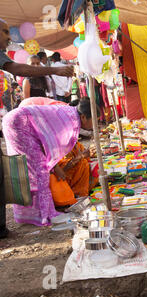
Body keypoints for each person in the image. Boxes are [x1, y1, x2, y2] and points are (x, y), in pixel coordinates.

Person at [0, 18, 73, 238]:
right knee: (34, 169)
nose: (9, 37)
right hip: (23, 124)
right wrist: (56, 71)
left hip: (31, 124)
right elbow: (18, 71)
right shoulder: (26, 78)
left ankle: (5, 226)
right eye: (4, 31)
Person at [2, 96, 96, 227]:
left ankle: (34, 213)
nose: (95, 124)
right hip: (18, 123)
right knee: (40, 170)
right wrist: (55, 167)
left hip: (16, 121)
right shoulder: (70, 118)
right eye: (94, 120)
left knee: (33, 169)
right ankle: (47, 214)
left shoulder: (70, 115)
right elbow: (49, 144)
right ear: (84, 117)